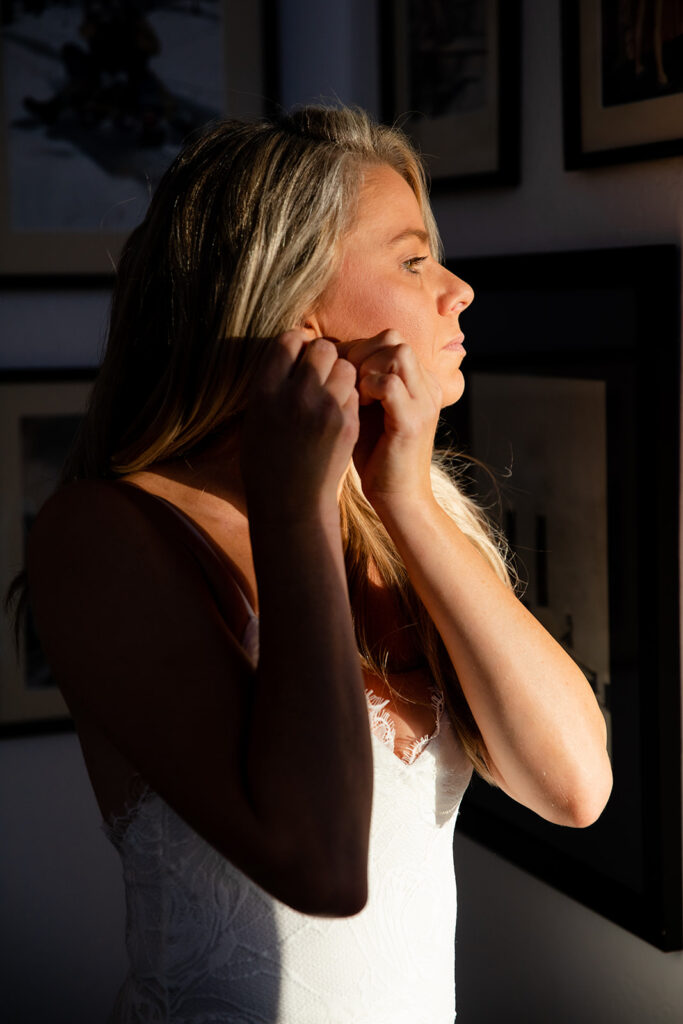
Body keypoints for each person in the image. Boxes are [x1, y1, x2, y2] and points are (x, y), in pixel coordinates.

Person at [23, 106, 612, 1023]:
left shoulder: (401, 507)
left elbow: (574, 787)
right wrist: (295, 510)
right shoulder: (104, 533)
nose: (456, 290)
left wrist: (409, 502)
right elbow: (322, 868)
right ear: (291, 301)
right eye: (415, 260)